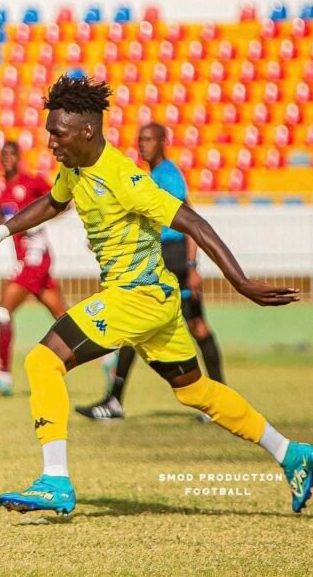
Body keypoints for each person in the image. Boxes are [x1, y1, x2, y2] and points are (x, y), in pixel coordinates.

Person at [0, 74, 313, 516]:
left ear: (86, 131)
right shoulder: (75, 168)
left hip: (137, 297)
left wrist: (240, 281)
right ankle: (291, 453)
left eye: (57, 133)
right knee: (195, 392)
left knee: (42, 361)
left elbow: (192, 221)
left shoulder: (124, 178)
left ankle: (55, 480)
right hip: (155, 301)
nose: (51, 141)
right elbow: (55, 202)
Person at [76, 123, 224, 422]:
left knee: (198, 327)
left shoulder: (168, 176)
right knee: (135, 333)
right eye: (139, 140)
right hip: (158, 257)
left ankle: (218, 399)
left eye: (148, 140)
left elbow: (189, 219)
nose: (142, 145)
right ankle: (114, 401)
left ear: (162, 142)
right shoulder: (146, 177)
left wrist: (193, 266)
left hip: (176, 258)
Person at [0, 140, 67, 397]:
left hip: (35, 256)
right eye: (3, 154)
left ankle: (3, 378)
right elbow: (1, 217)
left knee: (2, 311)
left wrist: (39, 223)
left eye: (11, 154)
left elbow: (63, 202)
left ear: (19, 158)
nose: (6, 159)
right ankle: (107, 360)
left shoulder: (33, 182)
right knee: (63, 316)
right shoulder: (0, 188)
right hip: (27, 260)